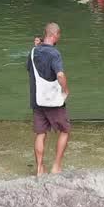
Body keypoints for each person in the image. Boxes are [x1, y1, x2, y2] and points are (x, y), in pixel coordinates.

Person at [27, 23, 70, 175]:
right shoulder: (55, 54)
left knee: (41, 133)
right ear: (54, 35)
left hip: (37, 99)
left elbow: (29, 70)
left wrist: (37, 47)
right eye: (59, 35)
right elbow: (60, 75)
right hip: (53, 101)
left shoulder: (33, 52)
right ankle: (56, 166)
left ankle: (39, 169)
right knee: (65, 130)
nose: (59, 38)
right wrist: (65, 89)